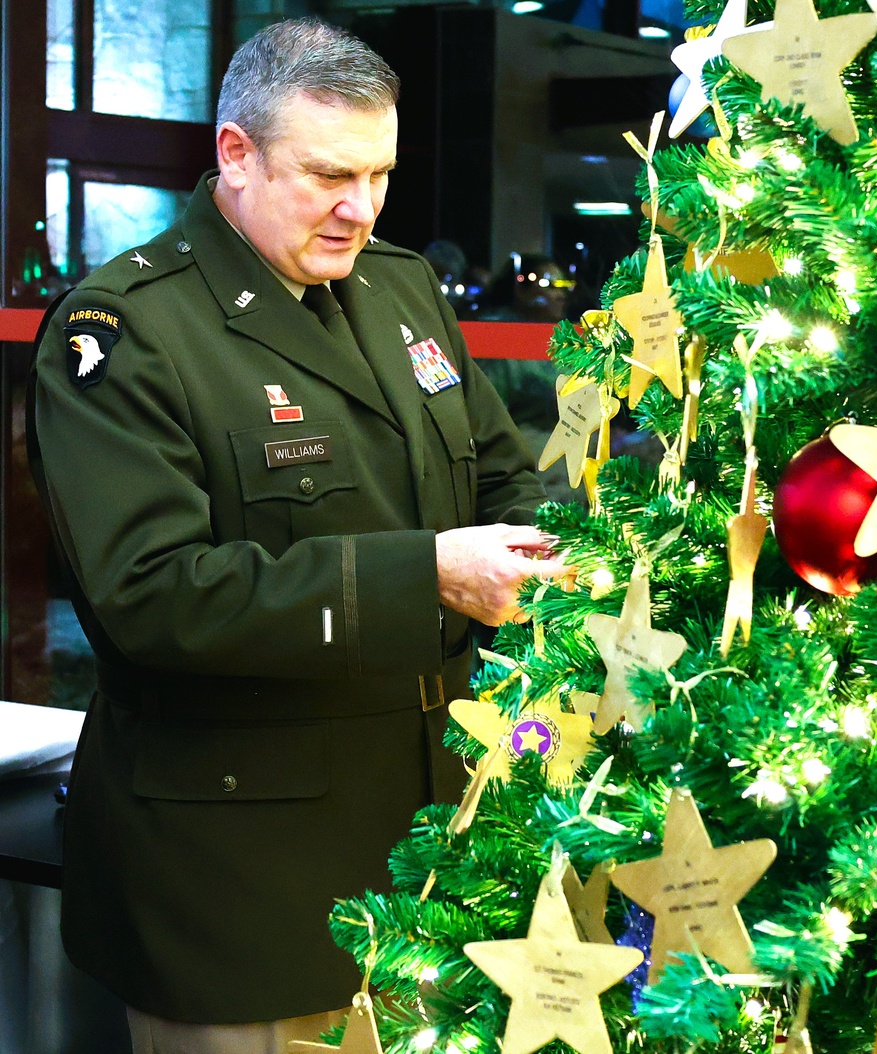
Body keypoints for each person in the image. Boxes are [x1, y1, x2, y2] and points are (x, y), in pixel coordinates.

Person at [27, 17, 564, 1053]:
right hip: (242, 893)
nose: (357, 209)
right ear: (235, 154)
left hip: (427, 870)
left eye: (379, 175)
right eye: (326, 174)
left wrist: (545, 546)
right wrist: (432, 580)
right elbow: (154, 596)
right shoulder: (129, 330)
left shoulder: (399, 287)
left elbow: (497, 470)